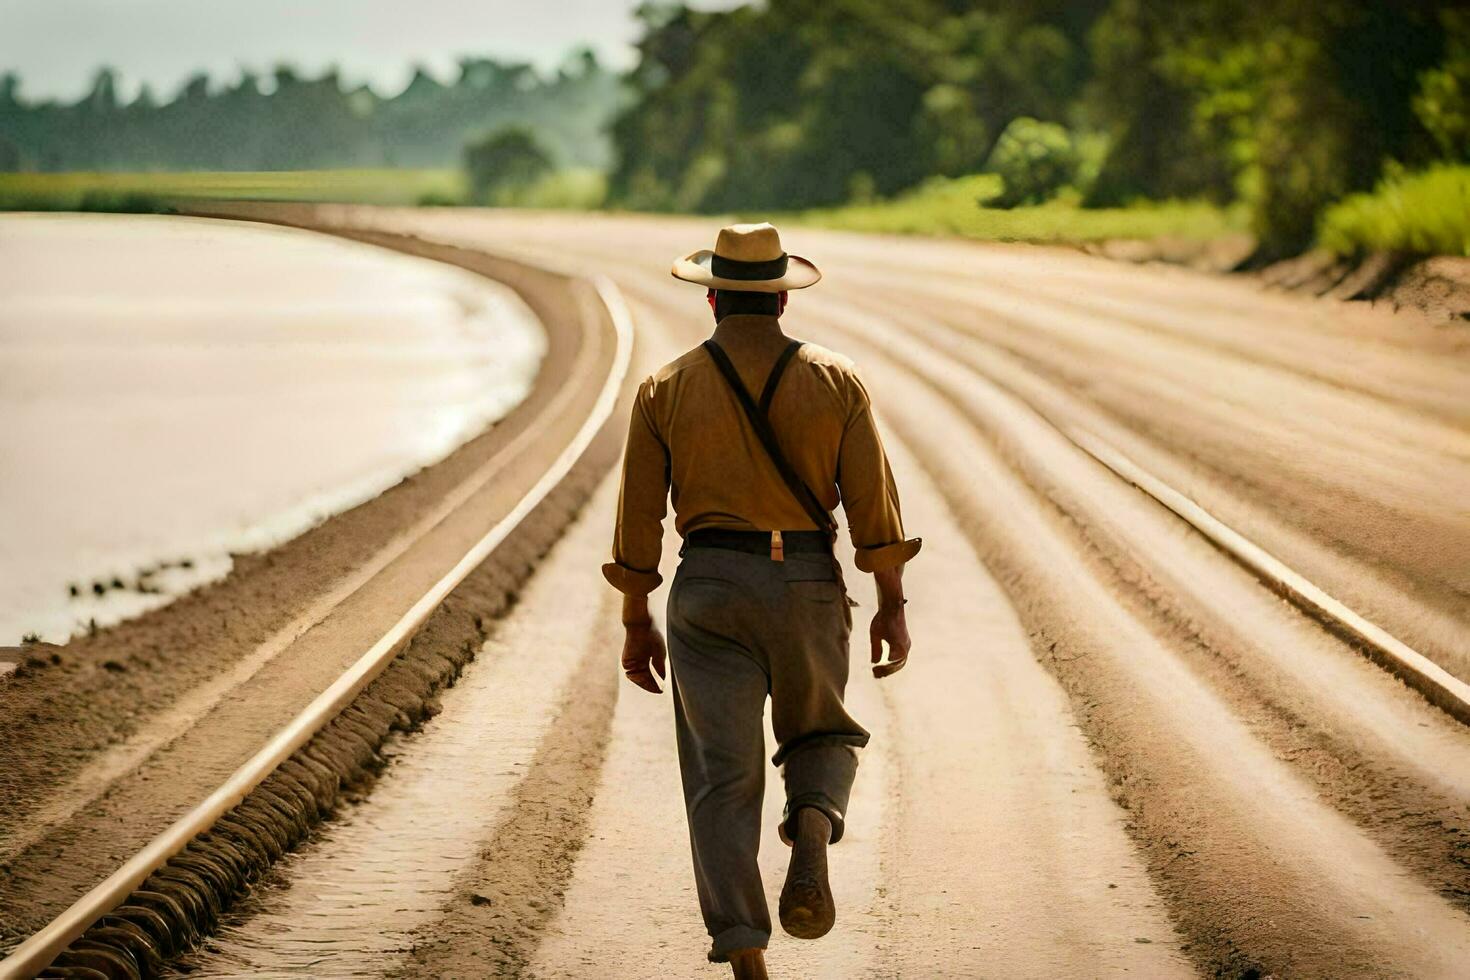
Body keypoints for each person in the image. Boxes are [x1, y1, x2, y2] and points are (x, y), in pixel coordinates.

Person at [603, 222, 919, 980]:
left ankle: (746, 953)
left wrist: (636, 621)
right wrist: (891, 600)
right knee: (821, 732)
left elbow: (637, 522)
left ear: (712, 297)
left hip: (708, 586)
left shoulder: (665, 388)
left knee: (720, 775)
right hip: (807, 581)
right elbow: (874, 504)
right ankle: (811, 822)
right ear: (781, 297)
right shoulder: (836, 380)